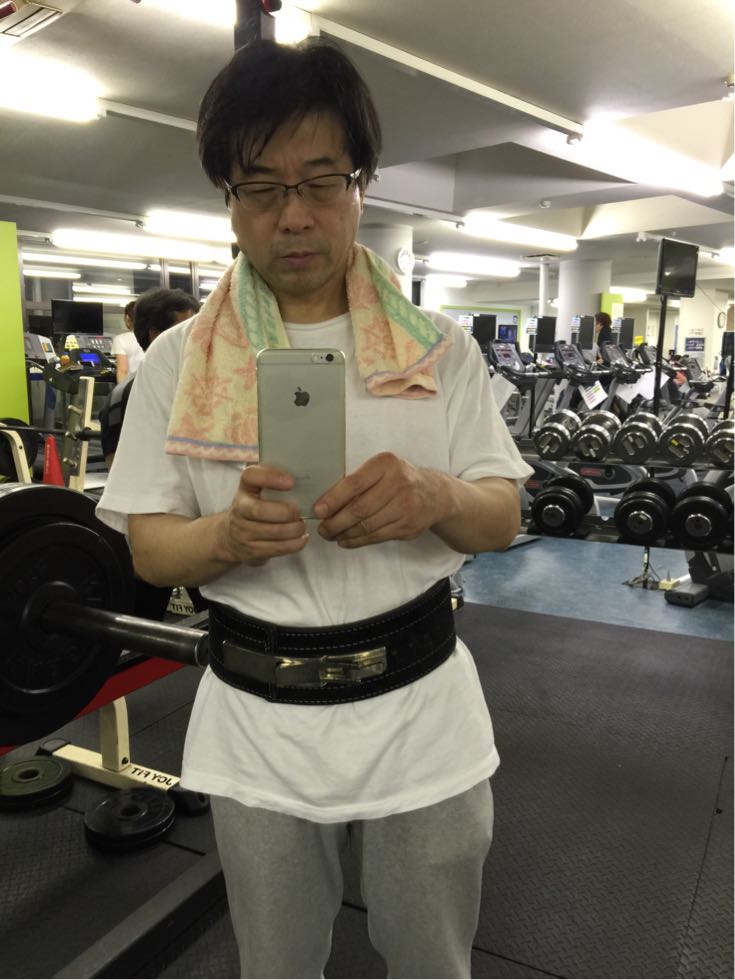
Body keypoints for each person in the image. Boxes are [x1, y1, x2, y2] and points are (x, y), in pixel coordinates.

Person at [96, 38, 533, 980]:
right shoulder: (180, 361)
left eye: (320, 181)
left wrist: (436, 494)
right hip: (258, 721)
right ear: (228, 200)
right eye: (260, 187)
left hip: (420, 709)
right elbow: (151, 552)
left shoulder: (437, 349)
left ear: (360, 184)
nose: (292, 215)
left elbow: (500, 517)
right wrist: (224, 537)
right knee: (277, 964)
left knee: (432, 961)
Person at [99, 286, 201, 621]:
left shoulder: (196, 389)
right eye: (189, 327)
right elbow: (120, 469)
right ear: (159, 336)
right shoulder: (127, 395)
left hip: (196, 531)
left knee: (211, 610)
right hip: (150, 533)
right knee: (144, 622)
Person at [111, 299, 144, 383]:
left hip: (133, 387)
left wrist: (121, 390)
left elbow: (123, 372)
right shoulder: (156, 337)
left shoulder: (121, 339)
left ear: (127, 318)